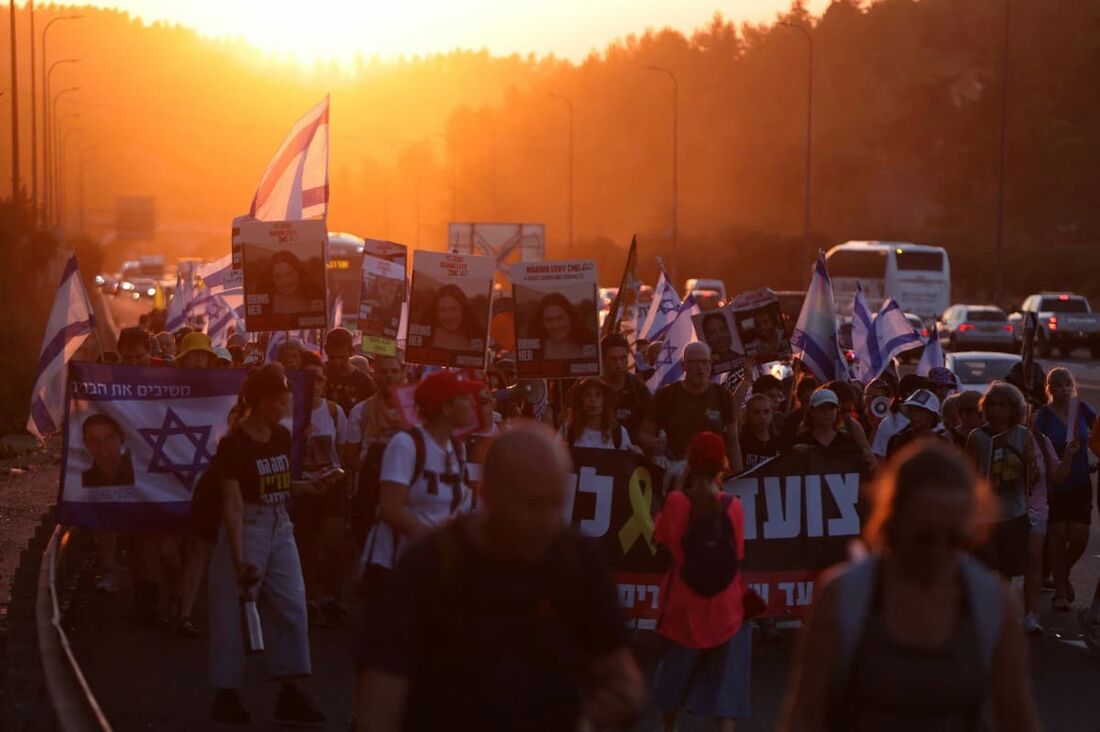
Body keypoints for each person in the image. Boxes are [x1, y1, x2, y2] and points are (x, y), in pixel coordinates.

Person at [353, 424, 644, 731]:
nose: (547, 521)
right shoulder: (428, 567)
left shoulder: (578, 560)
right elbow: (380, 702)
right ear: (487, 494)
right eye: (533, 504)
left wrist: (596, 714)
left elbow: (623, 681)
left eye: (557, 503)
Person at [780, 442, 1040, 731]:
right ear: (893, 522)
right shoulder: (843, 596)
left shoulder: (992, 602)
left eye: (954, 538)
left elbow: (1017, 716)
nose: (939, 551)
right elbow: (805, 715)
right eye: (924, 537)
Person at [208, 363, 325, 726]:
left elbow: (277, 483)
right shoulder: (233, 445)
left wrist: (308, 486)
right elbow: (233, 501)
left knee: (292, 605)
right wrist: (239, 556)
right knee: (234, 612)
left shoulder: (278, 436)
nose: (287, 403)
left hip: (279, 525)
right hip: (249, 527)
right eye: (279, 398)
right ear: (260, 400)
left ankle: (289, 690)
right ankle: (226, 693)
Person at [652, 431, 752, 731]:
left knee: (673, 686)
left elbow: (663, 540)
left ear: (689, 464)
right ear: (723, 464)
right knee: (727, 695)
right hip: (727, 607)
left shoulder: (675, 502)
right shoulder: (734, 505)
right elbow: (738, 555)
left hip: (683, 606)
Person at [357, 371, 479, 597]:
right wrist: (437, 541)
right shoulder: (406, 445)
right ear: (446, 407)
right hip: (396, 569)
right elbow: (392, 509)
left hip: (434, 569)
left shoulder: (456, 447)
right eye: (465, 396)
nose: (473, 402)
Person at [292, 351, 352, 627]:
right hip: (303, 487)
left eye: (318, 378)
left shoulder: (333, 411)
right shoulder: (290, 410)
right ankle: (308, 599)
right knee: (305, 545)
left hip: (331, 484)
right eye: (308, 378)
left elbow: (341, 451)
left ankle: (330, 596)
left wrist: (338, 479)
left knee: (334, 542)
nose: (314, 383)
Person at [1033, 367, 1097, 611]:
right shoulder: (1044, 415)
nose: (1063, 390)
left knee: (1080, 538)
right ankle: (1060, 593)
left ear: (1072, 387)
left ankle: (1062, 573)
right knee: (1057, 539)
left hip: (1080, 482)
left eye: (1066, 385)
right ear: (1050, 389)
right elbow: (1035, 443)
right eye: (1057, 386)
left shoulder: (1081, 409)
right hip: (1054, 485)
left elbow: (1098, 430)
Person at [966, 382, 1035, 581]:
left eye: (1002, 405)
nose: (996, 410)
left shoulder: (1023, 435)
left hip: (1014, 513)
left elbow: (1032, 478)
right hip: (984, 516)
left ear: (1013, 409)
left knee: (1006, 573)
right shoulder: (977, 437)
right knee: (987, 572)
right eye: (992, 404)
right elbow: (969, 474)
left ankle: (999, 610)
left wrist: (1029, 465)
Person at [639, 342, 740, 471]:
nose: (700, 367)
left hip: (713, 477)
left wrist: (739, 479)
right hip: (675, 474)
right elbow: (643, 435)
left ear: (710, 365)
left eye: (705, 362)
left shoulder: (723, 396)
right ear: (683, 365)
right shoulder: (666, 395)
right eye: (694, 362)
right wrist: (654, 443)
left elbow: (733, 444)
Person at [345, 354, 410, 551]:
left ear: (402, 374)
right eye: (384, 372)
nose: (389, 376)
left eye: (394, 371)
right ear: (374, 376)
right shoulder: (361, 411)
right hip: (370, 489)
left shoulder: (416, 410)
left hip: (407, 488)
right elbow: (349, 456)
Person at [1023, 422, 1075, 633]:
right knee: (1005, 566)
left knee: (1034, 560)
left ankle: (1030, 615)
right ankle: (997, 613)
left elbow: (1058, 476)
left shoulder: (1043, 441)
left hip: (1037, 510)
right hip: (1009, 510)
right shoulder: (1003, 438)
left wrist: (1070, 454)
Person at [600, 333, 652, 443]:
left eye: (623, 358)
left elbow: (651, 424)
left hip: (632, 452)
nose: (619, 364)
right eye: (613, 359)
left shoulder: (639, 388)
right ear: (603, 359)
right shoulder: (589, 385)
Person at [560, 377, 632, 450]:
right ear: (580, 401)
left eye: (598, 395)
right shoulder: (567, 431)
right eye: (587, 395)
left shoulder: (619, 433)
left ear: (604, 400)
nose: (593, 400)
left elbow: (626, 459)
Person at [870, 374, 932, 458]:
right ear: (908, 394)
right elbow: (879, 456)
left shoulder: (929, 422)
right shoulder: (889, 424)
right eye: (922, 392)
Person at [324, 327, 377, 415]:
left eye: (341, 357)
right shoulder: (319, 373)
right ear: (326, 350)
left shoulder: (364, 382)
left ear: (351, 352)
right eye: (332, 357)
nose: (337, 362)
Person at [530, 291, 593, 360]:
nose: (555, 325)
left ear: (571, 318)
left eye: (560, 318)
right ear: (542, 323)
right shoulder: (536, 351)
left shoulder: (588, 345)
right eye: (549, 320)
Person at [886, 388, 945, 457]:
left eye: (919, 411)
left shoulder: (943, 445)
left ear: (932, 415)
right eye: (911, 410)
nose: (913, 414)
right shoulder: (899, 440)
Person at [426, 283, 483, 351]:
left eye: (453, 309)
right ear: (436, 312)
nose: (448, 316)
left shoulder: (476, 336)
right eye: (442, 310)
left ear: (463, 310)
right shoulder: (428, 336)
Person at [267, 250, 322, 316]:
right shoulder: (268, 303)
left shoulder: (315, 297)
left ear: (299, 273)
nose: (285, 282)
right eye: (278, 277)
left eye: (289, 274)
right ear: (272, 279)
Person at [780, 372, 820, 449]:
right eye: (807, 401)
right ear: (800, 398)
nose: (810, 406)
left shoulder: (823, 418)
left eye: (814, 401)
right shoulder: (789, 420)